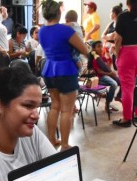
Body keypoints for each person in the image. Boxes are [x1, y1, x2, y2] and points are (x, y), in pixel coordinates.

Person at [39, 0, 89, 150]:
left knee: (55, 107)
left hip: (49, 69)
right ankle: (65, 145)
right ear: (59, 13)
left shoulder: (41, 31)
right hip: (65, 70)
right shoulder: (66, 30)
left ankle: (52, 140)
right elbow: (85, 50)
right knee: (67, 110)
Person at [113, 0, 137, 127]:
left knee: (127, 88)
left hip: (129, 54)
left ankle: (126, 118)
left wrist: (118, 56)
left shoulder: (123, 17)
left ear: (127, 3)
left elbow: (117, 39)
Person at [89, 40, 121, 114]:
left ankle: (118, 96)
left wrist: (111, 71)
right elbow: (99, 72)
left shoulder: (102, 58)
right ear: (94, 49)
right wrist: (110, 74)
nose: (100, 48)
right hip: (100, 78)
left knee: (121, 81)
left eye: (101, 46)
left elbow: (107, 67)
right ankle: (107, 103)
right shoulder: (95, 60)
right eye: (98, 47)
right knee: (114, 84)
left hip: (106, 76)